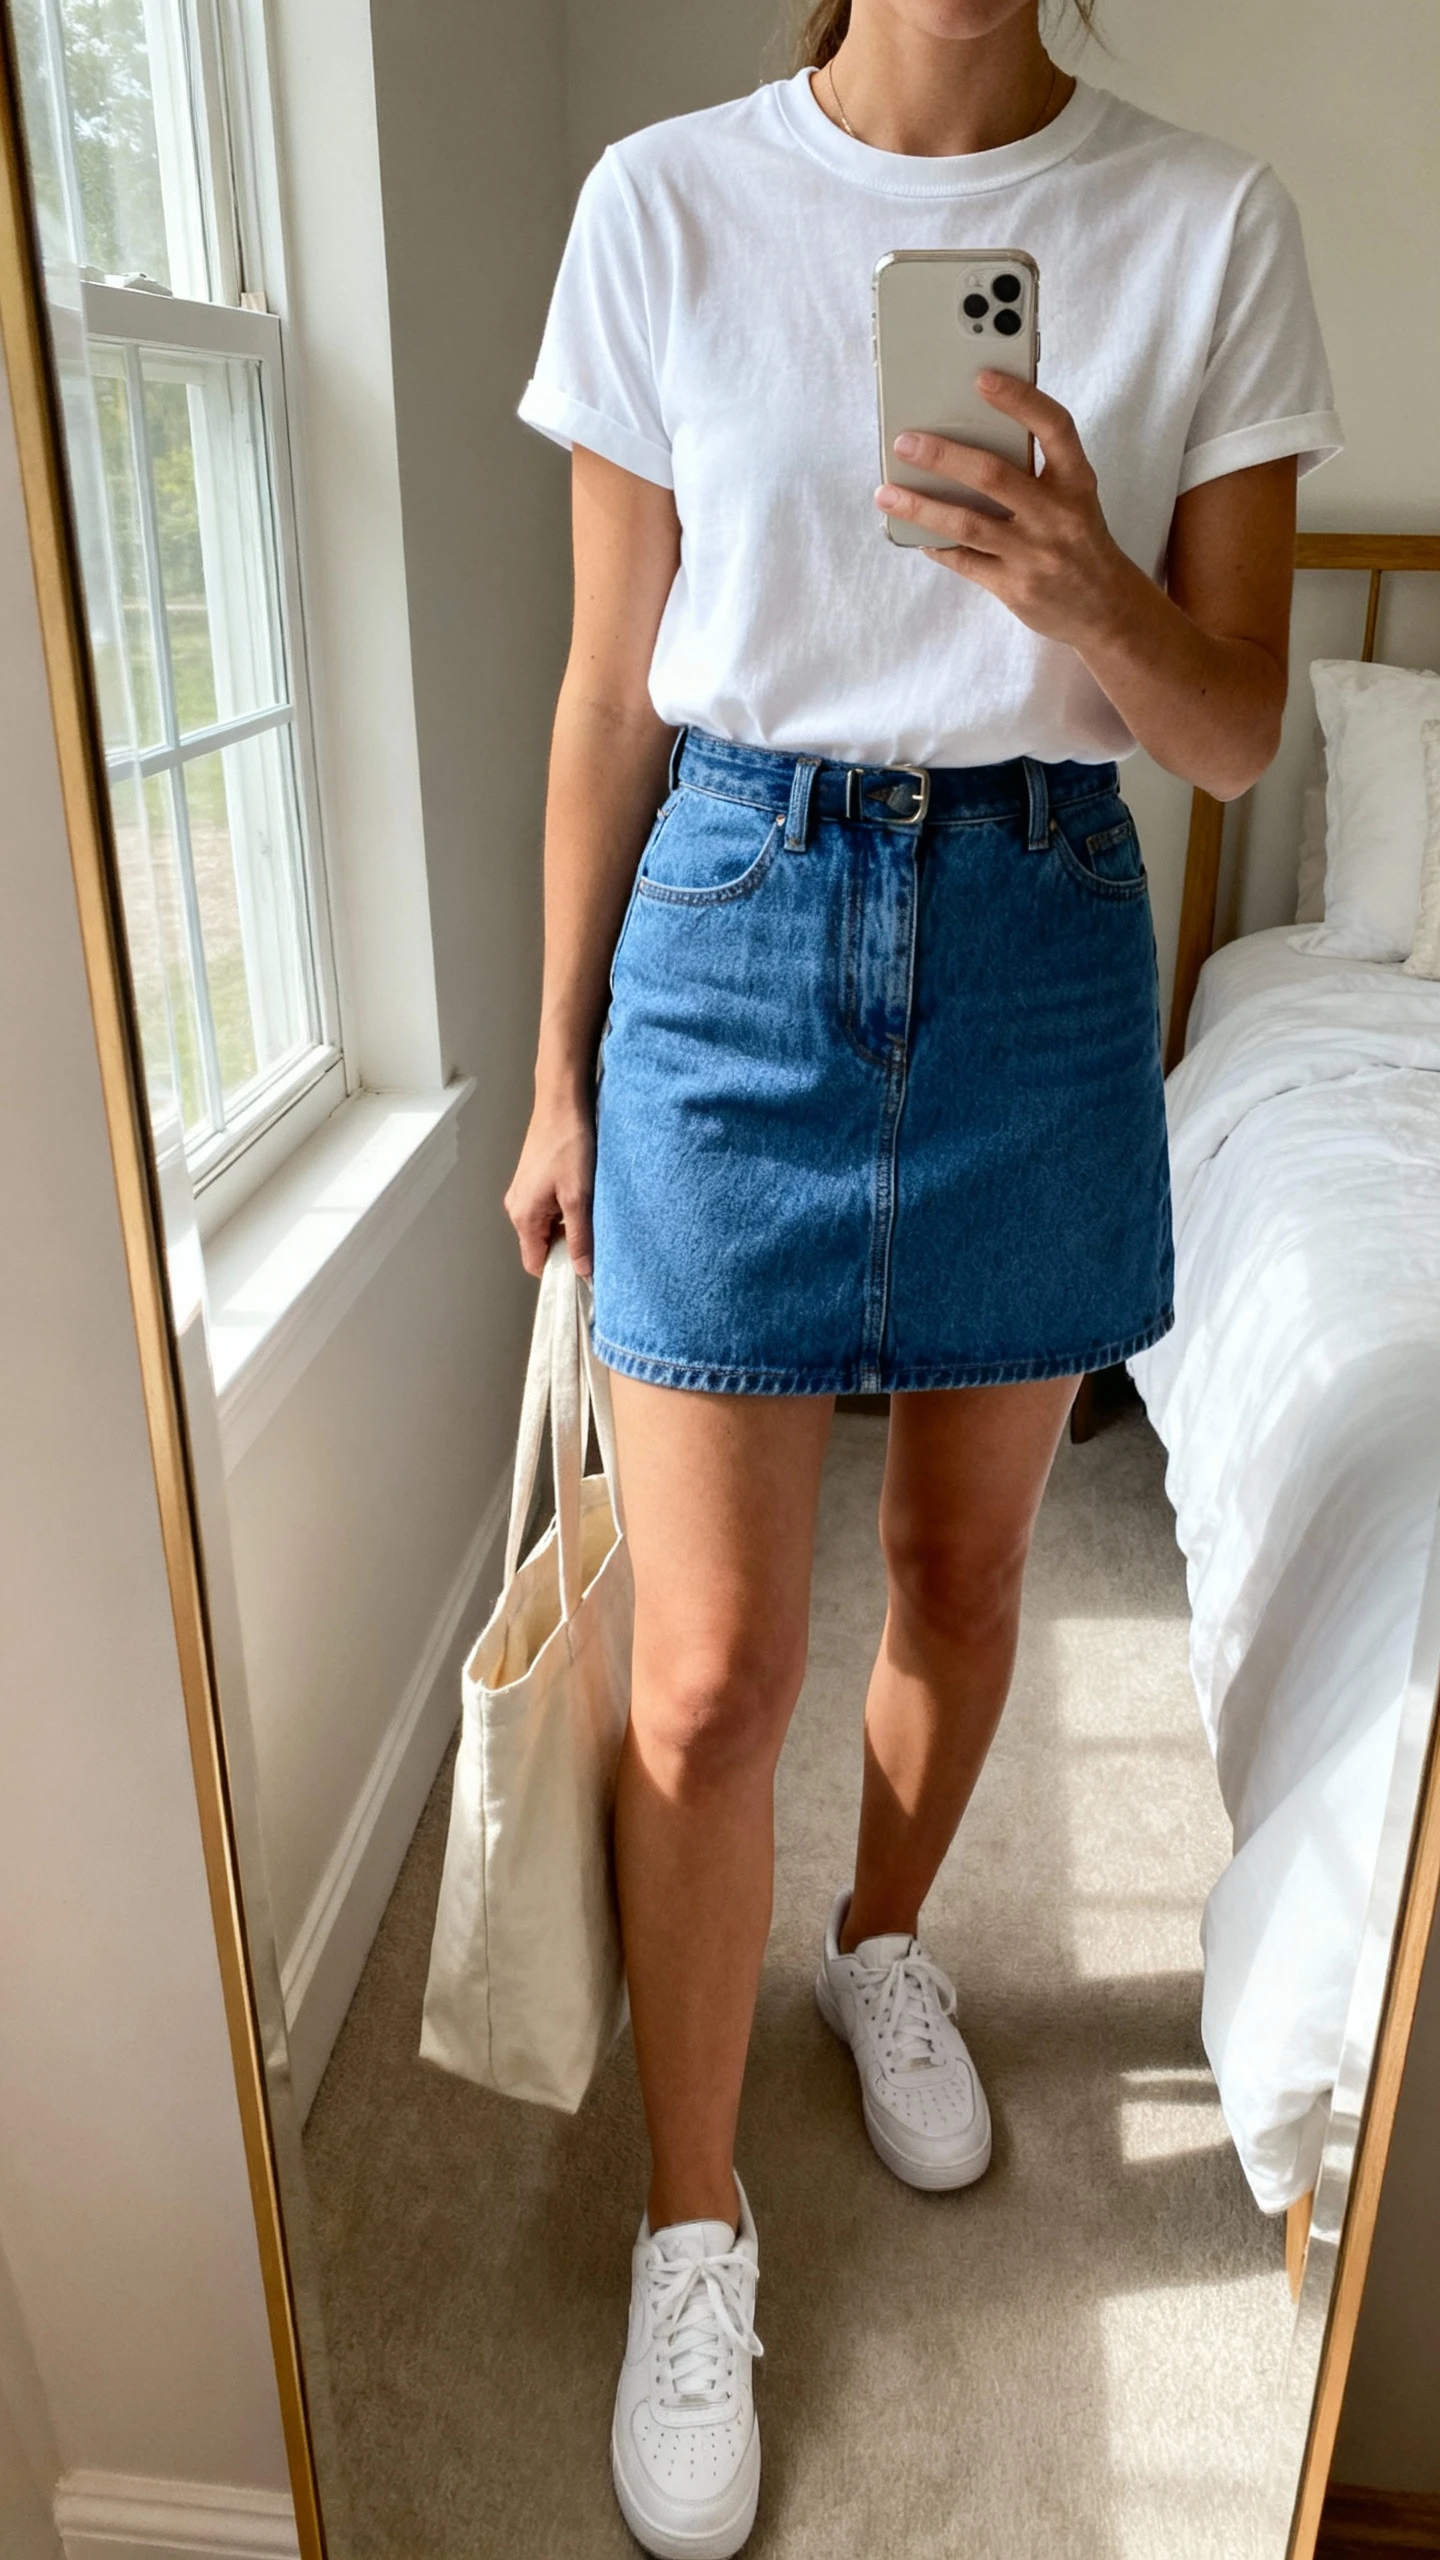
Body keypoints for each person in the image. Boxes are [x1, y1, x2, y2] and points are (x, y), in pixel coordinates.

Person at [506, 0, 1339, 2549]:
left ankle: (882, 1939)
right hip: (734, 932)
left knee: (971, 1565)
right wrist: (556, 1072)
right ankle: (691, 2216)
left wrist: (1087, 576)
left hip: (1048, 929)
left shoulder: (1206, 223)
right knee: (708, 1662)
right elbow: (607, 691)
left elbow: (1226, 735)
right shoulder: (665, 200)